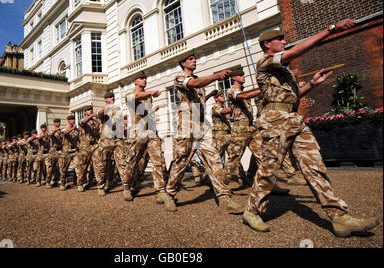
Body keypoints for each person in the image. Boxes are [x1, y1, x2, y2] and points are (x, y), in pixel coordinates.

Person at [243, 19, 379, 237]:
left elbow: (293, 97)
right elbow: (296, 52)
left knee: (314, 166)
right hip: (275, 120)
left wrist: (314, 83)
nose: (284, 41)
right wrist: (330, 29)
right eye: (280, 39)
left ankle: (340, 218)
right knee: (270, 168)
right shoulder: (265, 62)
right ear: (267, 45)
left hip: (293, 118)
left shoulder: (285, 73)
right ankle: (251, 211)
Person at [164, 50, 244, 214]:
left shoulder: (197, 79)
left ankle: (224, 198)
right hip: (186, 125)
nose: (194, 61)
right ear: (183, 63)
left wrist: (208, 95)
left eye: (195, 58)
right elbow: (192, 85)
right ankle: (170, 194)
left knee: (214, 159)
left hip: (202, 125)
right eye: (190, 59)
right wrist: (215, 76)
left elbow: (197, 99)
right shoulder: (180, 77)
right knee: (181, 162)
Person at [124, 71, 168, 203]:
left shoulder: (148, 97)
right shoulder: (129, 95)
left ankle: (160, 191)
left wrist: (156, 109)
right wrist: (151, 92)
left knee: (157, 160)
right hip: (137, 133)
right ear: (135, 82)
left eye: (145, 78)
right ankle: (127, 186)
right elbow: (136, 96)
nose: (144, 80)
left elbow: (147, 113)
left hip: (151, 132)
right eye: (141, 78)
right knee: (132, 161)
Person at [93, 91, 126, 197]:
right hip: (106, 141)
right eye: (109, 97)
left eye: (113, 96)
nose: (112, 98)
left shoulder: (118, 111)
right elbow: (99, 113)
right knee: (103, 165)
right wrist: (106, 108)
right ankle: (101, 186)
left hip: (118, 141)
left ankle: (127, 187)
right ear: (105, 99)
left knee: (122, 164)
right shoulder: (103, 109)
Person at [76, 105, 100, 192]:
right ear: (85, 112)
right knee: (83, 166)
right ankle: (80, 183)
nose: (90, 111)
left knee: (98, 165)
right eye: (88, 110)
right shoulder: (81, 120)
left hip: (94, 145)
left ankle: (100, 186)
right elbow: (83, 122)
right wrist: (91, 116)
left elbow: (97, 133)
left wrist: (98, 122)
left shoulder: (94, 122)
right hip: (85, 147)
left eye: (91, 109)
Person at [58, 115, 80, 191]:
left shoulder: (77, 130)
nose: (72, 120)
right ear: (68, 120)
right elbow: (65, 132)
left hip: (74, 151)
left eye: (73, 119)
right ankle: (63, 183)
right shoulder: (64, 128)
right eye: (71, 119)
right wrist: (73, 128)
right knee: (64, 169)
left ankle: (78, 183)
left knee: (78, 167)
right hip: (66, 152)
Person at [45, 119, 62, 189]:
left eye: (58, 122)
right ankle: (47, 182)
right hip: (52, 151)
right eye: (56, 122)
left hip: (59, 151)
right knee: (50, 167)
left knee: (58, 167)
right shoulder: (51, 131)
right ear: (54, 123)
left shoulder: (61, 131)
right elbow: (49, 135)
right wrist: (55, 130)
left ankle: (55, 180)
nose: (57, 123)